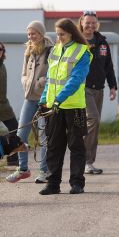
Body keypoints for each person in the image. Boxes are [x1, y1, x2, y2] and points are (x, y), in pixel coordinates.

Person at [38, 18, 92, 195]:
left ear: (71, 33)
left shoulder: (82, 52)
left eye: (62, 34)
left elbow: (75, 79)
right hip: (54, 107)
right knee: (54, 146)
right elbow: (49, 80)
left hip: (73, 106)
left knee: (76, 146)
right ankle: (53, 184)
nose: (59, 37)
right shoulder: (55, 50)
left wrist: (58, 99)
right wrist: (44, 100)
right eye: (57, 34)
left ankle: (77, 183)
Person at [6, 21, 53, 183]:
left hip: (45, 99)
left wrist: (41, 83)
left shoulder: (50, 50)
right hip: (30, 97)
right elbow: (23, 73)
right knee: (21, 134)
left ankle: (44, 171)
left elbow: (54, 74)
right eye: (29, 34)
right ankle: (23, 169)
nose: (31, 36)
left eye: (34, 33)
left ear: (41, 34)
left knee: (44, 136)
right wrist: (26, 82)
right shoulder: (28, 52)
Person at [78, 11, 117, 174]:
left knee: (94, 125)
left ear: (97, 24)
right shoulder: (76, 41)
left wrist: (112, 86)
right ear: (81, 23)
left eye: (93, 23)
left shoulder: (102, 42)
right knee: (92, 120)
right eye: (87, 23)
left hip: (98, 89)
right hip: (82, 88)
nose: (90, 26)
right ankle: (84, 160)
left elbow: (108, 66)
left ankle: (88, 161)